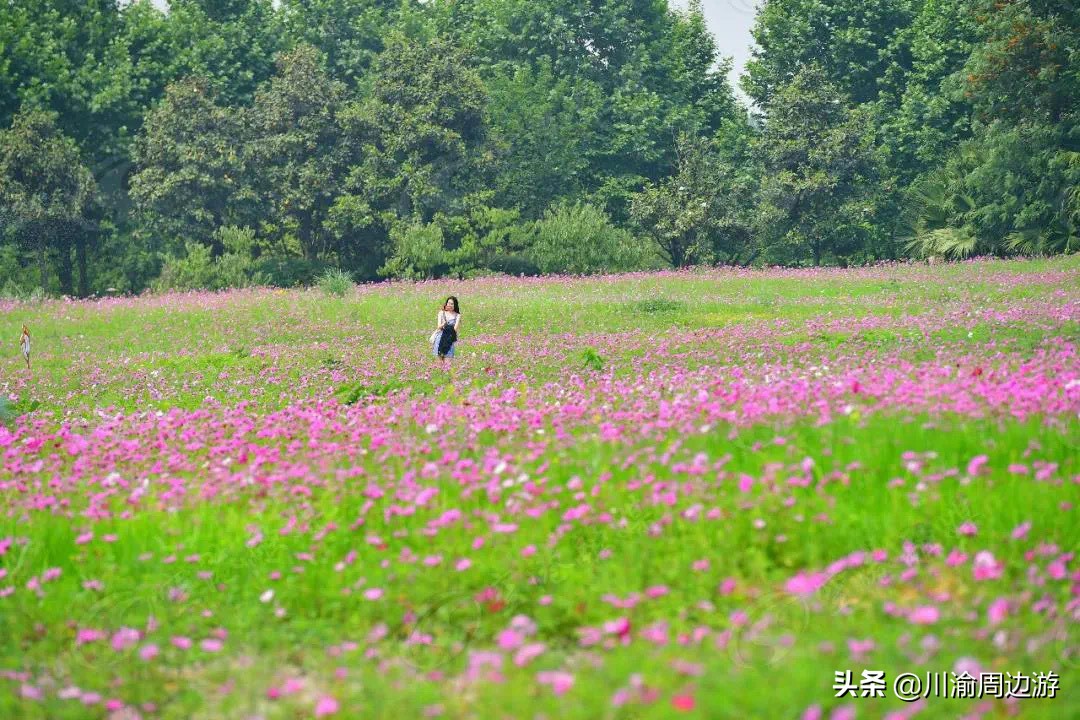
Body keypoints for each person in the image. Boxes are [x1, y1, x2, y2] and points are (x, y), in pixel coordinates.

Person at [432, 296, 461, 364]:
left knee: (448, 364)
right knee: (439, 363)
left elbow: (455, 329)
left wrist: (446, 327)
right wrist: (444, 324)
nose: (449, 305)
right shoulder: (441, 313)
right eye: (448, 303)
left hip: (449, 340)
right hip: (439, 339)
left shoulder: (457, 315)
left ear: (455, 305)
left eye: (452, 304)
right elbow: (439, 326)